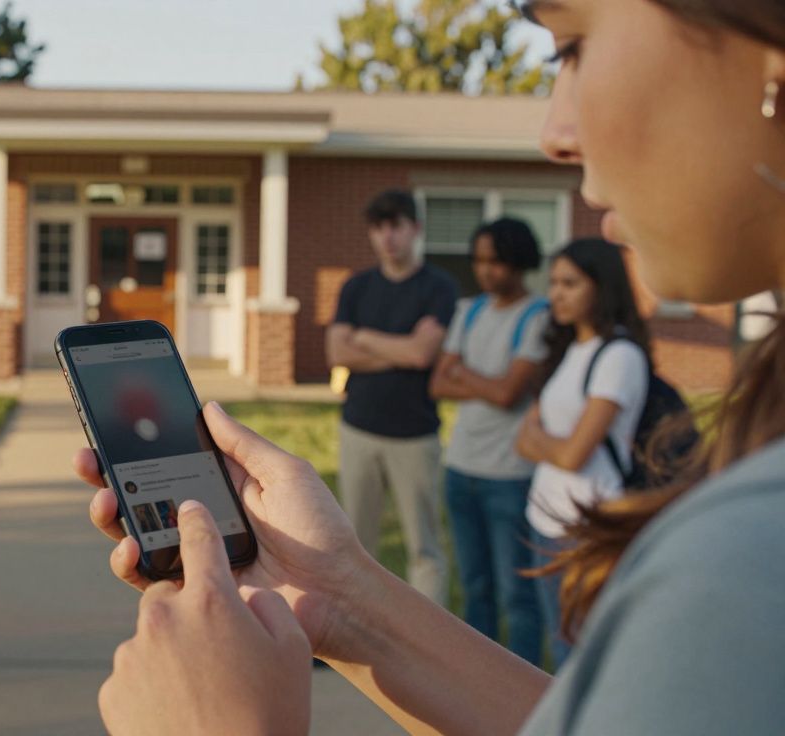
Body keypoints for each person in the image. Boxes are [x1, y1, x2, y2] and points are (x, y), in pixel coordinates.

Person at [79, 1, 785, 733]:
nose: (555, 134)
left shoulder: (752, 556)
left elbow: (419, 359)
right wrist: (334, 595)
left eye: (570, 48)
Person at [514, 238, 651, 667]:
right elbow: (522, 440)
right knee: (561, 646)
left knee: (579, 652)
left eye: (570, 283)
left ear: (602, 286)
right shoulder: (565, 349)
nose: (556, 293)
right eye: (553, 282)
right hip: (544, 518)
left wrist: (544, 444)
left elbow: (575, 455)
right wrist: (548, 445)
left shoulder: (620, 355)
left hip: (586, 525)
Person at [325, 189, 457, 604]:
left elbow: (423, 354)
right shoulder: (356, 287)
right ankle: (357, 628)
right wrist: (399, 350)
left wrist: (363, 338)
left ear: (415, 228)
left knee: (424, 547)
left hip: (415, 435)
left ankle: (429, 643)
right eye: (379, 228)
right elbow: (337, 352)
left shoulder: (438, 287)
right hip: (359, 428)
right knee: (354, 541)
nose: (388, 237)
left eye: (396, 226)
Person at [429, 218, 549, 665]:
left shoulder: (538, 317)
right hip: (462, 468)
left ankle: (522, 687)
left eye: (495, 261)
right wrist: (484, 382)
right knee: (475, 586)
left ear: (518, 263)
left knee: (517, 591)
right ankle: (477, 678)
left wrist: (466, 375)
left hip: (510, 475)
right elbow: (438, 384)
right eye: (479, 261)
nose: (485, 271)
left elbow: (508, 394)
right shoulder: (470, 310)